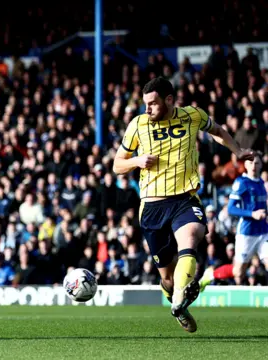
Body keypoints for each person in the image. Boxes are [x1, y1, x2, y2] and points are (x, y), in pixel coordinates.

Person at [113, 77, 254, 333]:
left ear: (169, 100)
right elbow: (116, 164)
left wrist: (237, 151)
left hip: (184, 199)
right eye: (145, 104)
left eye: (153, 104)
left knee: (192, 236)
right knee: (166, 277)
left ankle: (179, 298)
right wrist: (137, 161)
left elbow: (218, 131)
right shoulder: (138, 125)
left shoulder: (192, 116)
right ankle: (177, 302)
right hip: (152, 207)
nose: (148, 109)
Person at [200, 154, 268, 289]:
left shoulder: (260, 182)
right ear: (246, 165)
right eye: (251, 163)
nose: (254, 166)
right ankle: (211, 275)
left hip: (262, 232)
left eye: (257, 163)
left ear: (261, 165)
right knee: (238, 272)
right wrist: (252, 214)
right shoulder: (241, 183)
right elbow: (231, 208)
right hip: (246, 232)